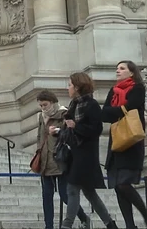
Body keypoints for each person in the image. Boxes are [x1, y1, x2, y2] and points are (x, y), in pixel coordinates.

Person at [57, 72, 118, 229]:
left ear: (77, 87)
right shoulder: (73, 105)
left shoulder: (91, 104)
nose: (68, 88)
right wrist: (59, 131)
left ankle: (67, 225)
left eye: (70, 85)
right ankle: (110, 224)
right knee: (90, 193)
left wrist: (76, 126)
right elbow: (69, 129)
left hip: (85, 155)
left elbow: (96, 129)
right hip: (74, 153)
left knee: (72, 189)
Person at [102, 61, 147, 229]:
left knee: (123, 184)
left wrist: (116, 111)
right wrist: (119, 110)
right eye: (116, 68)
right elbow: (104, 114)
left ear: (132, 72)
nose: (117, 71)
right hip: (117, 140)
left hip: (132, 141)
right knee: (118, 187)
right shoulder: (113, 91)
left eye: (122, 68)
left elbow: (131, 107)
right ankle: (130, 225)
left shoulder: (138, 88)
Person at [34, 91, 89, 229]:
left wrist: (58, 131)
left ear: (52, 102)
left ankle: (83, 217)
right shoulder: (42, 117)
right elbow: (39, 137)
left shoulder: (64, 114)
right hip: (45, 162)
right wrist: (38, 152)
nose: (43, 108)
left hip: (60, 160)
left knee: (65, 195)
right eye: (41, 105)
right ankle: (49, 226)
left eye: (45, 104)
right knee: (47, 196)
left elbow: (71, 135)